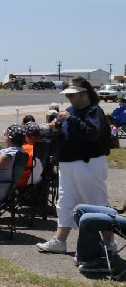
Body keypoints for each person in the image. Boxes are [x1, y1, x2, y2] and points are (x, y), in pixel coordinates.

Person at [36, 76, 112, 254]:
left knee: (96, 203)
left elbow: (90, 133)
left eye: (73, 95)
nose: (69, 99)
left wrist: (70, 119)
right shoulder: (71, 111)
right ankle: (60, 240)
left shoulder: (94, 111)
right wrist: (56, 130)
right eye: (68, 95)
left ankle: (109, 242)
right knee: (65, 203)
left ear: (84, 94)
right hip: (68, 164)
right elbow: (65, 135)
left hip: (88, 164)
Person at [73, 204, 123, 273]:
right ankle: (99, 253)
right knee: (79, 210)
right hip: (123, 215)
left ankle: (93, 260)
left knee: (86, 220)